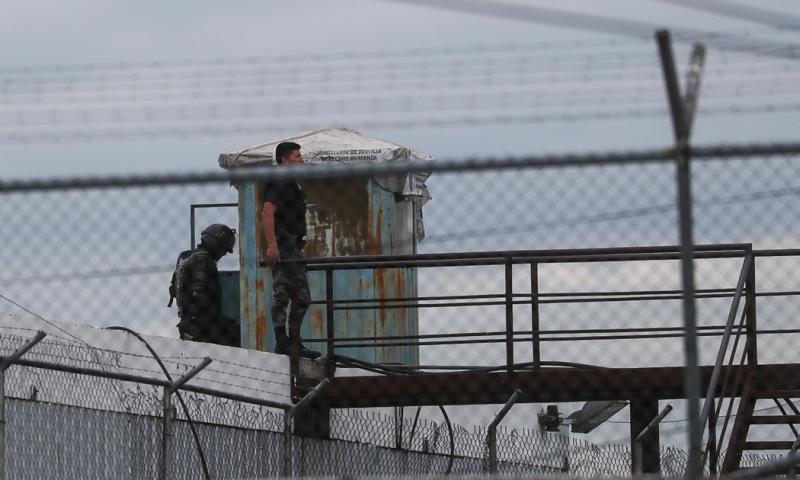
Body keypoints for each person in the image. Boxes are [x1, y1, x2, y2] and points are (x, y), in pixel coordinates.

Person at [262, 141, 321, 359]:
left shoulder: (290, 183)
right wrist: (273, 246)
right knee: (293, 293)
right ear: (284, 160)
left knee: (292, 293)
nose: (302, 160)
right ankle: (285, 341)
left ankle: (291, 342)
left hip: (291, 243)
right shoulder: (280, 180)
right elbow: (268, 212)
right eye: (298, 157)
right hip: (284, 243)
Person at [169, 223, 241, 347]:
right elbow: (200, 293)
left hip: (186, 322)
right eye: (223, 249)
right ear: (217, 244)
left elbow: (173, 289)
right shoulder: (204, 259)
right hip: (202, 325)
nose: (223, 254)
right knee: (238, 333)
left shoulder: (184, 256)